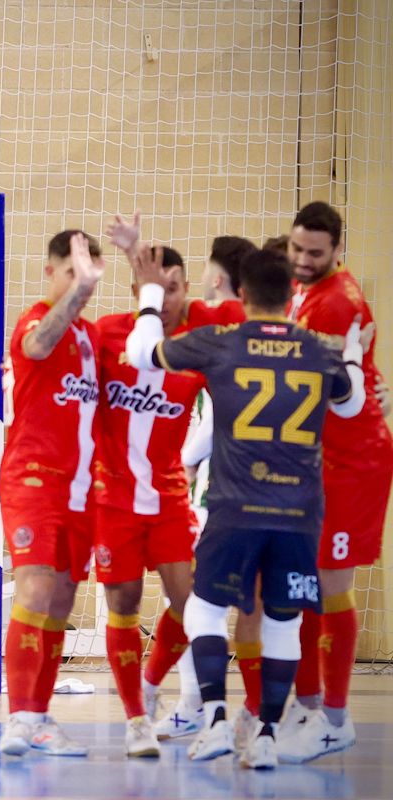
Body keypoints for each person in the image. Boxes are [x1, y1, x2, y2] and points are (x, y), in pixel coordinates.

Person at [125, 246, 365, 769]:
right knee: (283, 621)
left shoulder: (221, 342)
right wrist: (350, 351)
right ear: (289, 297)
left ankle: (211, 718)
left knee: (205, 609)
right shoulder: (318, 348)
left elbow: (143, 352)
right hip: (300, 514)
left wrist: (148, 296)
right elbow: (351, 403)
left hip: (235, 506)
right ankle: (267, 738)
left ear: (247, 294)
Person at [95, 219, 246, 757]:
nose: (174, 298)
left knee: (194, 600)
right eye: (160, 288)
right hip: (112, 497)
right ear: (138, 292)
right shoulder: (108, 333)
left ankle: (158, 690)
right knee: (125, 601)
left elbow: (252, 320)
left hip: (169, 496)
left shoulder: (202, 333)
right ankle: (137, 719)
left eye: (179, 286)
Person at [277, 201, 393, 763]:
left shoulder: (338, 301)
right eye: (296, 248)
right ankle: (306, 705)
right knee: (302, 584)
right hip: (316, 459)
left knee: (328, 585)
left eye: (314, 254)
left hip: (353, 463)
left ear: (338, 251)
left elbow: (344, 400)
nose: (301, 260)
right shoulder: (304, 290)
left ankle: (337, 720)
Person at [0, 230, 103, 757]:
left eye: (87, 279)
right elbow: (36, 347)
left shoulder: (90, 337)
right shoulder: (36, 321)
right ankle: (17, 718)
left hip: (82, 489)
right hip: (33, 478)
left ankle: (39, 718)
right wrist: (79, 291)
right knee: (35, 591)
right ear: (51, 272)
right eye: (71, 276)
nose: (81, 289)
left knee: (61, 603)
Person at [163, 235, 268, 748]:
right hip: (278, 494)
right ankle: (263, 716)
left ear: (219, 277)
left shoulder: (216, 320)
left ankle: (204, 710)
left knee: (195, 600)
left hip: (217, 491)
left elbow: (217, 410)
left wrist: (179, 463)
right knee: (256, 609)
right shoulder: (281, 333)